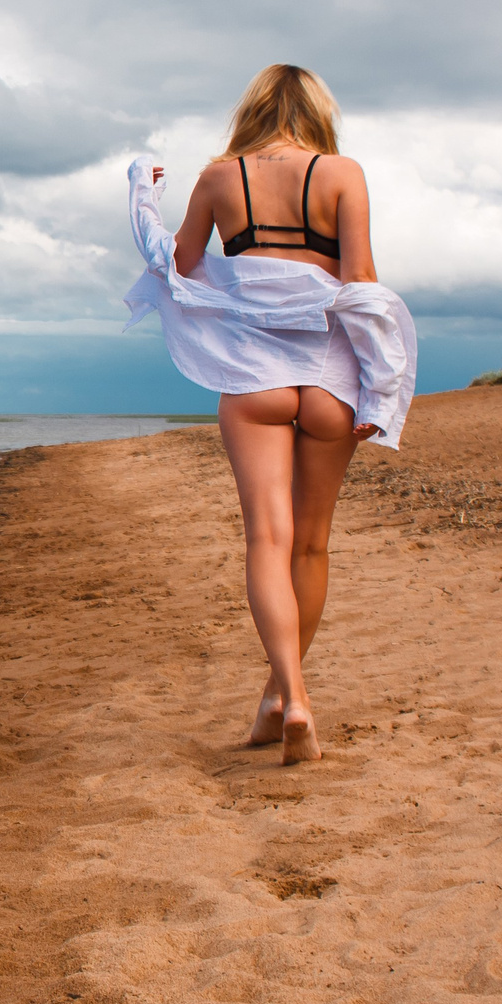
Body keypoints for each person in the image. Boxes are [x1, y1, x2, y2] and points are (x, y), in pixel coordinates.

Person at [122, 64, 417, 765]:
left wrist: (141, 192)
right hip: (327, 381)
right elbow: (362, 284)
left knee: (267, 540)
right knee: (311, 546)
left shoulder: (221, 178)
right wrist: (379, 390)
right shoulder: (342, 173)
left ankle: (290, 695)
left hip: (252, 379)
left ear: (251, 110)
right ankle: (282, 698)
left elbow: (178, 266)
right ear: (317, 110)